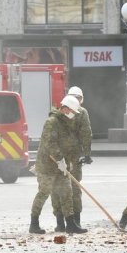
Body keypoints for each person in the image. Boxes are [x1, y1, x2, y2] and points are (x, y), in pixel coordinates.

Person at [29, 95, 87, 235]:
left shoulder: (65, 123)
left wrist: (67, 162)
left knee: (67, 192)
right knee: (44, 192)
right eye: (72, 112)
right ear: (65, 109)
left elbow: (67, 144)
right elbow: (50, 144)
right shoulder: (52, 122)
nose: (73, 115)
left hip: (61, 165)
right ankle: (34, 223)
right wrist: (60, 160)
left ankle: (71, 224)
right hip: (47, 165)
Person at [50, 86, 93, 231]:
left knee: (57, 188)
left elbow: (50, 137)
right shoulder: (82, 112)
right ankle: (76, 222)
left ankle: (60, 223)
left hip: (57, 157)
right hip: (74, 157)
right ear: (81, 99)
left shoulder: (56, 112)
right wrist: (87, 154)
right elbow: (86, 134)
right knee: (74, 188)